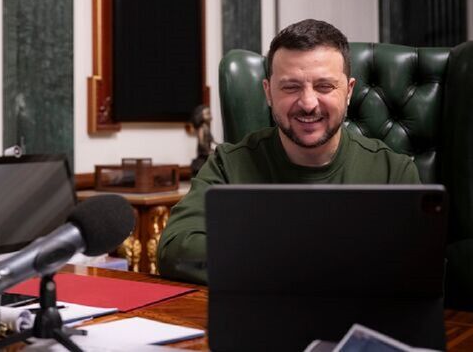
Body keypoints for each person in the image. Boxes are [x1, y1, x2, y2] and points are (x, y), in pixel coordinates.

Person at [158, 19, 420, 284]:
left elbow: (417, 268)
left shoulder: (393, 172)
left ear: (349, 91)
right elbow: (175, 250)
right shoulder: (228, 165)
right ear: (268, 92)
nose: (308, 103)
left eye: (324, 86)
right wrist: (301, 262)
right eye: (291, 87)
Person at [190, 105, 216, 176]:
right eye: (207, 114)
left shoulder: (207, 127)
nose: (210, 116)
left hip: (207, 151)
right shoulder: (201, 128)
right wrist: (207, 150)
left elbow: (212, 140)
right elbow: (201, 141)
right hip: (203, 152)